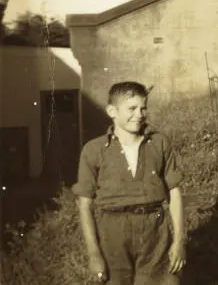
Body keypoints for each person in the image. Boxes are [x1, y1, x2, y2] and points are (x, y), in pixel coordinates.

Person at [72, 81, 186, 284]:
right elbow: (85, 205)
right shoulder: (93, 150)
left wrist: (179, 241)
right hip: (113, 235)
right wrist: (94, 254)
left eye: (143, 108)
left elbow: (175, 194)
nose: (139, 114)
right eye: (132, 108)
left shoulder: (159, 143)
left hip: (155, 231)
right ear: (112, 111)